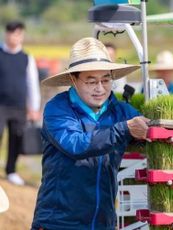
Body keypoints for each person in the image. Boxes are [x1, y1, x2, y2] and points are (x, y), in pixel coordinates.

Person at [31, 37, 149, 230]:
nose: (100, 88)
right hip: (58, 222)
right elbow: (76, 144)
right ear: (73, 79)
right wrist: (124, 129)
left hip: (103, 222)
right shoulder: (58, 109)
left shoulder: (121, 112)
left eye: (105, 80)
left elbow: (148, 127)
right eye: (91, 81)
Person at [0, 21, 41, 186]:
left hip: (19, 105)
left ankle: (11, 171)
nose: (13, 37)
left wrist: (34, 107)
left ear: (22, 35)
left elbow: (32, 83)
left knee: (16, 138)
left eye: (17, 34)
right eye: (11, 33)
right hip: (0, 104)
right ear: (6, 34)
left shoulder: (26, 58)